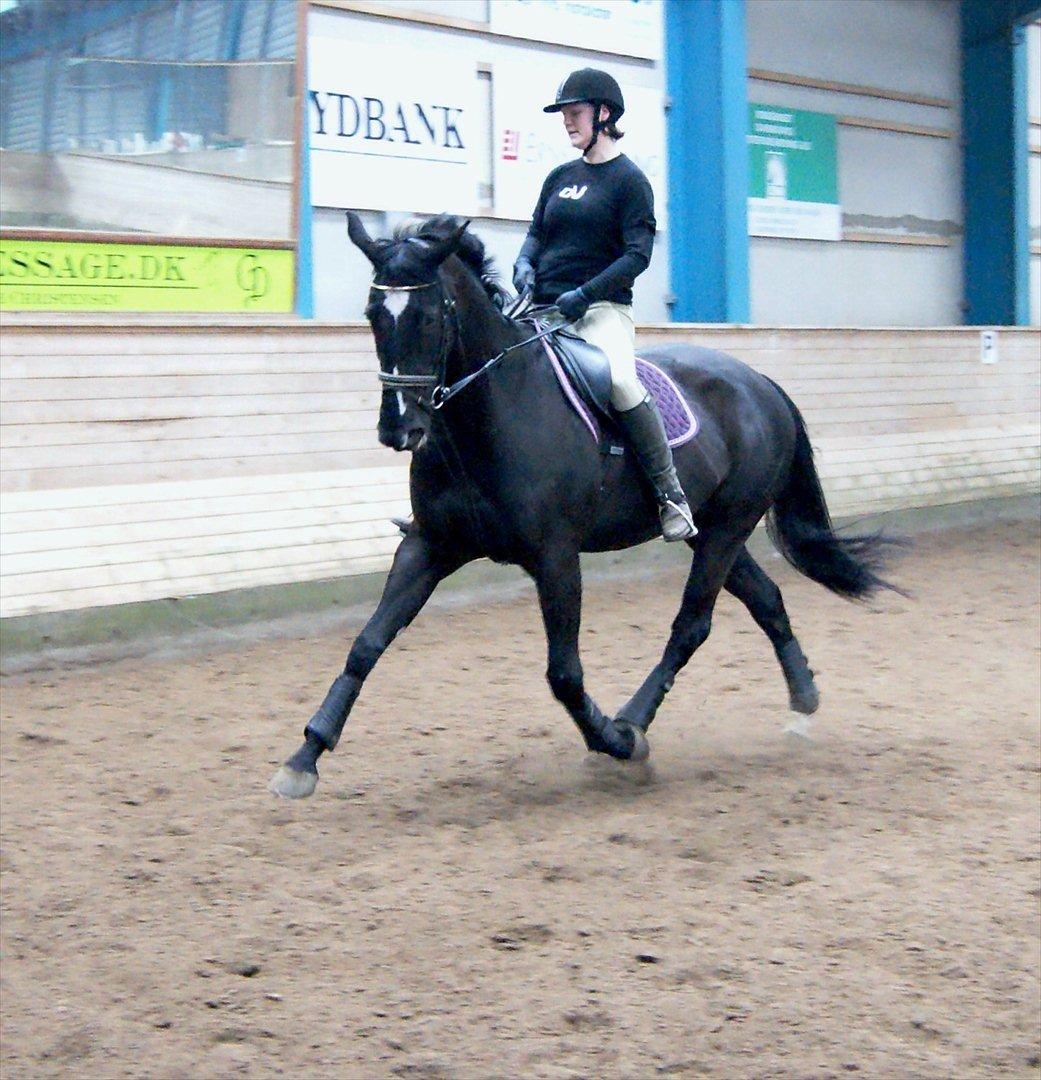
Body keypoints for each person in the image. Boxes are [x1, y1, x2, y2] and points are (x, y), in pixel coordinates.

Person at [513, 68, 696, 542]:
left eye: (575, 114)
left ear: (604, 114)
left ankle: (670, 494)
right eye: (565, 116)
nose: (567, 123)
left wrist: (586, 295)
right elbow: (536, 233)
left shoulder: (630, 181)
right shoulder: (560, 176)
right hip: (542, 309)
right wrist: (523, 262)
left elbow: (637, 255)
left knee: (619, 381)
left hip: (600, 312)